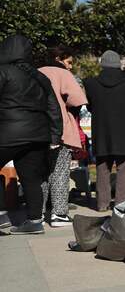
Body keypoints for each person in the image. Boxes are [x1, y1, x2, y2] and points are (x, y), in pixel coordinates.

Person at [0, 35, 62, 235]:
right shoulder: (40, 76)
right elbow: (54, 108)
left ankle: (3, 215)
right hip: (38, 135)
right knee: (31, 178)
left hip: (8, 132)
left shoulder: (3, 71)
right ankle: (35, 221)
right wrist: (55, 136)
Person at [84, 50, 125, 211]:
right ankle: (121, 205)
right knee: (124, 169)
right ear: (119, 64)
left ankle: (102, 204)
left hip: (102, 131)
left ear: (102, 64)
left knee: (102, 168)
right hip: (124, 132)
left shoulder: (90, 84)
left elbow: (90, 107)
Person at [38, 45, 88, 227]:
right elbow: (77, 100)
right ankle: (59, 214)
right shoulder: (64, 75)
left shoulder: (34, 72)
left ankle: (38, 213)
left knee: (40, 173)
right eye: (69, 62)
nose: (71, 66)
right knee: (59, 171)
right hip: (60, 129)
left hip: (36, 129)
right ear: (59, 59)